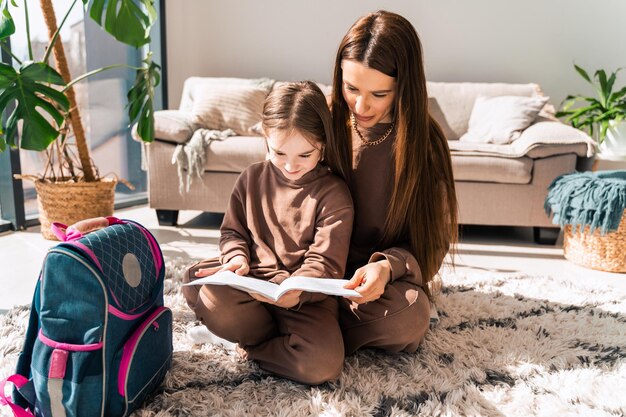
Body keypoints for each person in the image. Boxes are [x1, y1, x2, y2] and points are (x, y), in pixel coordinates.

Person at [182, 81, 354, 385]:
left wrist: (295, 289)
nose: (290, 165)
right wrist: (236, 259)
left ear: (323, 145)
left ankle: (243, 344)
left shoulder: (333, 194)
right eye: (279, 152)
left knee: (322, 365)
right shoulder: (251, 178)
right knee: (197, 284)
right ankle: (263, 339)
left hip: (302, 298)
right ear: (265, 137)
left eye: (305, 155)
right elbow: (233, 233)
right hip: (251, 285)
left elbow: (326, 263)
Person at [329, 10, 458, 355]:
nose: (361, 104)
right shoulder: (323, 121)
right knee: (204, 290)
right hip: (314, 267)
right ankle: (315, 322)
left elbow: (432, 243)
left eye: (380, 94)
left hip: (382, 285)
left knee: (407, 319)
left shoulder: (425, 143)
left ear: (405, 87)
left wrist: (387, 268)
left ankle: (305, 327)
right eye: (350, 87)